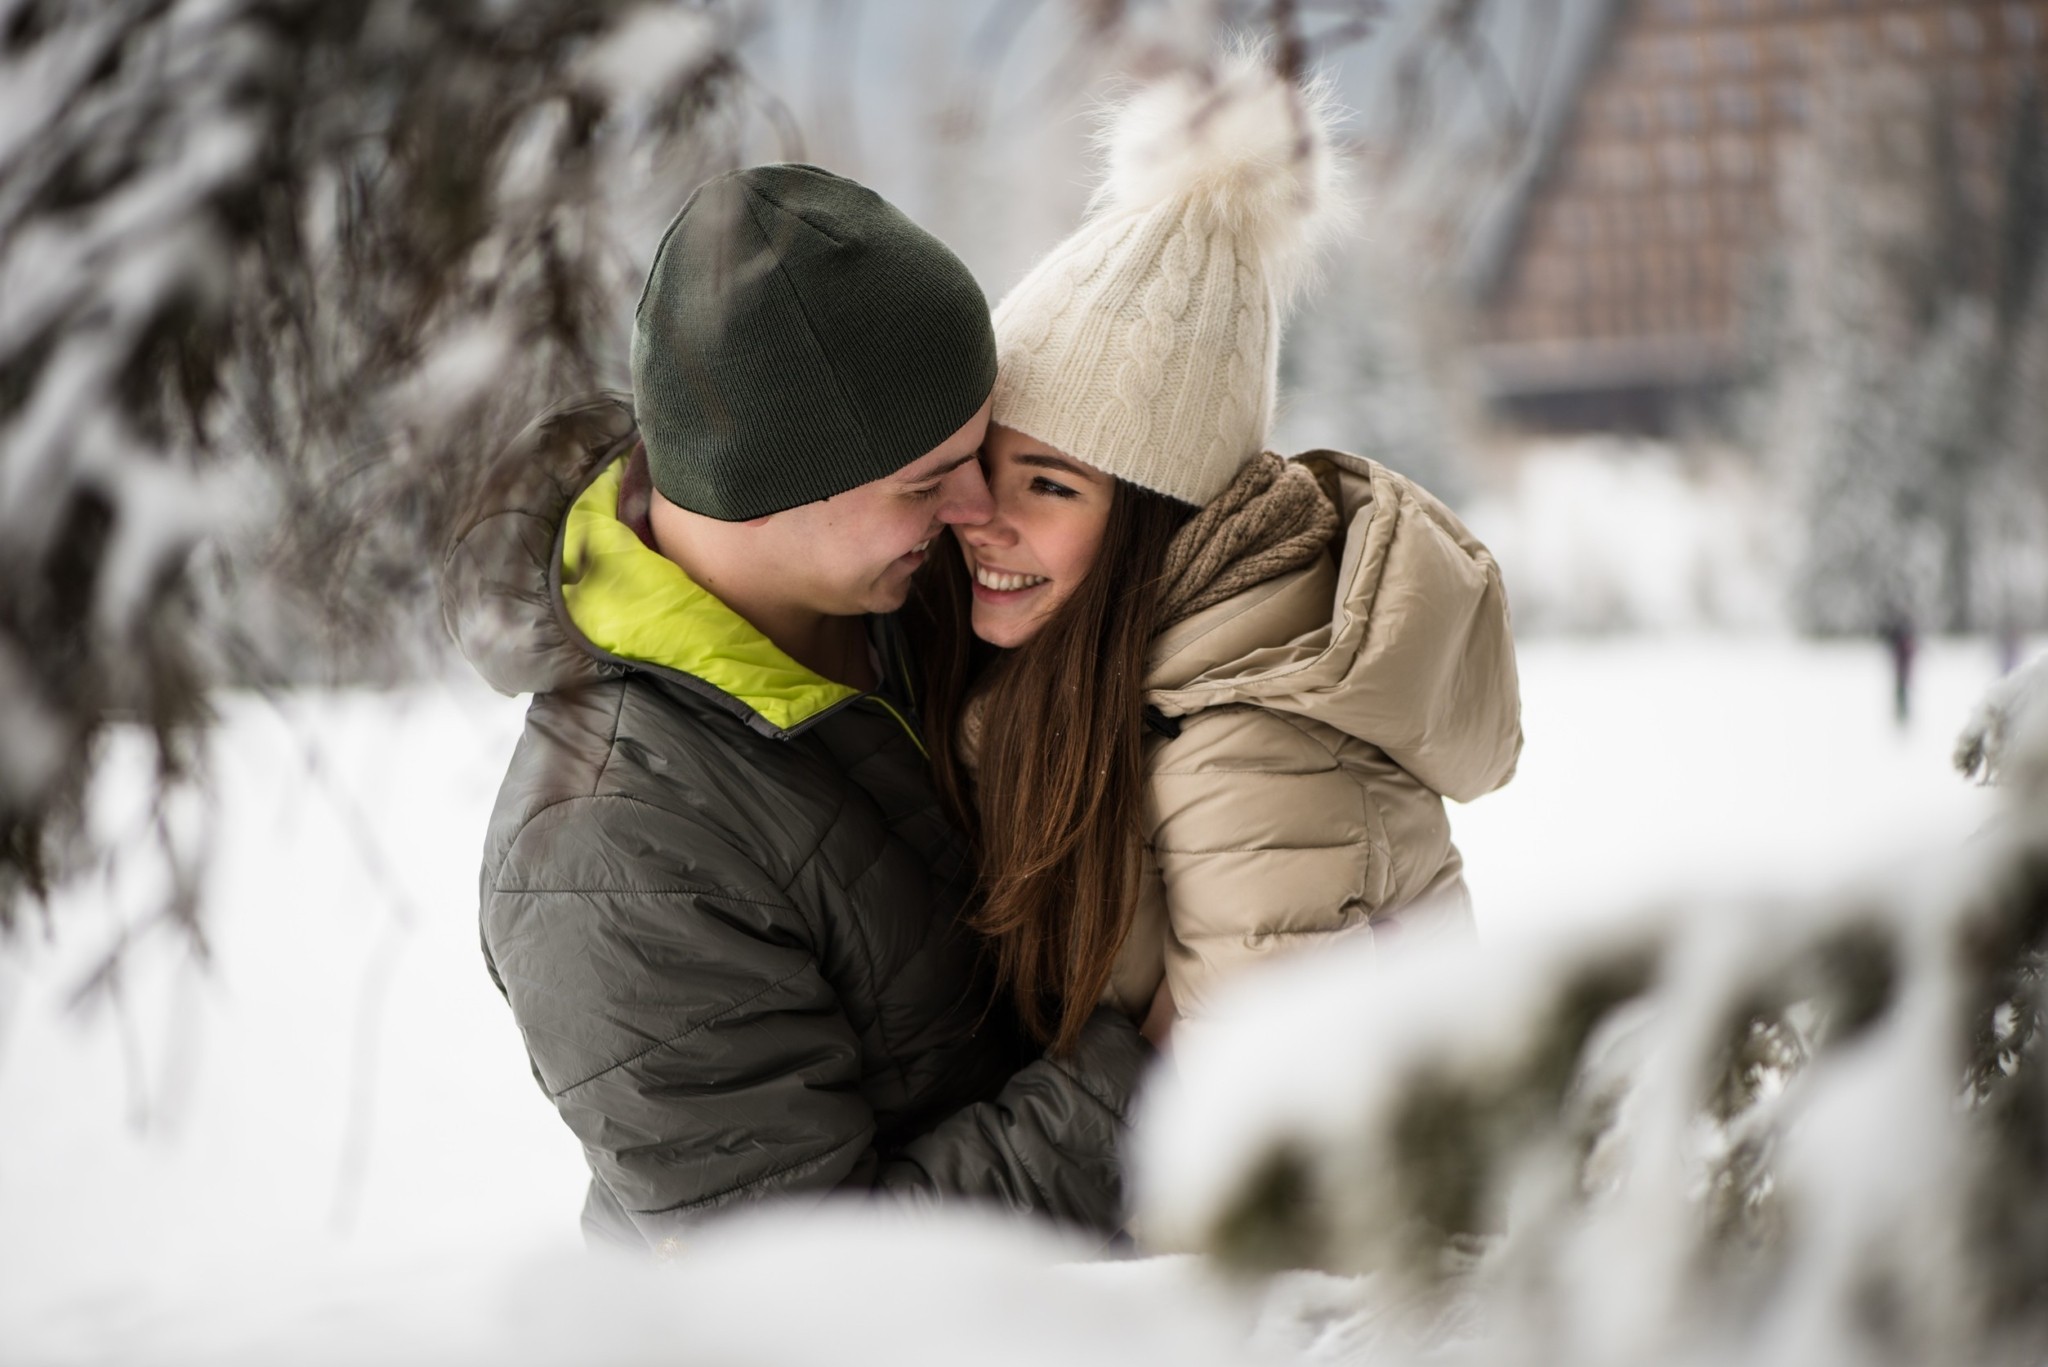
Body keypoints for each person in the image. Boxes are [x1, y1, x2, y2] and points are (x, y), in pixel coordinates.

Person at [442, 165, 1148, 1254]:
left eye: (980, 452)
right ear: (767, 486)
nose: (977, 511)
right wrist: (1159, 1077)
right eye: (927, 480)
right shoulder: (609, 853)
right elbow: (805, 1290)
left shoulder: (926, 592)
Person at [908, 57, 1523, 1053]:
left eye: (1050, 483)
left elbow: (1234, 1137)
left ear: (1160, 520)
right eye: (985, 463)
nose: (980, 511)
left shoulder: (1250, 754)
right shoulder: (1103, 676)